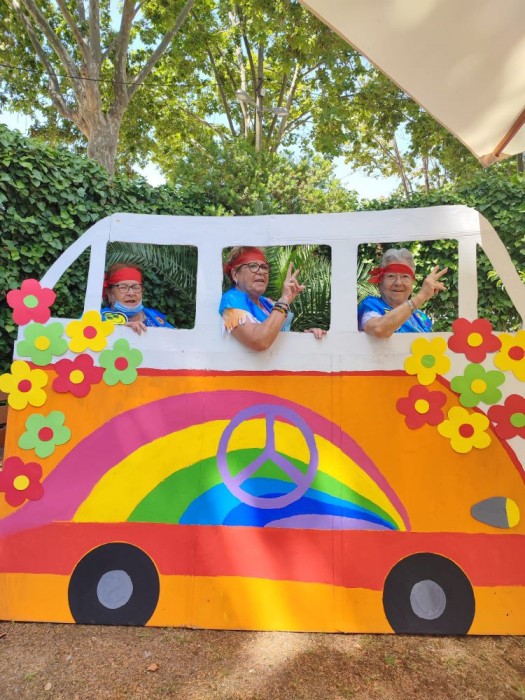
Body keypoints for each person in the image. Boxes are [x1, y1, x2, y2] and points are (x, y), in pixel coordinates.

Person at [219, 246, 326, 351]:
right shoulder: (231, 300)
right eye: (252, 266)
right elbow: (259, 341)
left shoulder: (267, 303)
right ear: (235, 274)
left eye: (264, 267)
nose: (261, 271)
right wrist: (284, 300)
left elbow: (279, 339)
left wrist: (308, 337)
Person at [358, 248, 447, 338]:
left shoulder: (421, 317)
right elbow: (378, 330)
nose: (398, 283)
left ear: (412, 282)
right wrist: (421, 296)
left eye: (405, 276)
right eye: (391, 276)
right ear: (380, 282)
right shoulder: (370, 306)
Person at [101, 263, 174, 334]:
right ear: (109, 292)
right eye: (123, 287)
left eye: (136, 287)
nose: (131, 293)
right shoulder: (99, 318)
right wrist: (120, 330)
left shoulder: (154, 315)